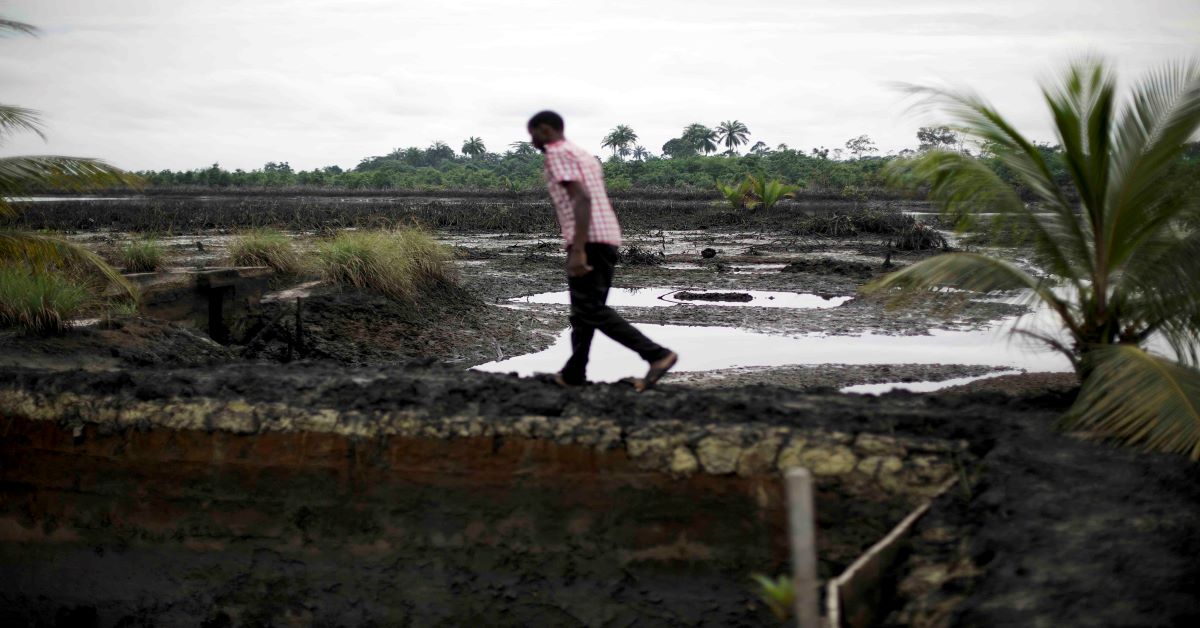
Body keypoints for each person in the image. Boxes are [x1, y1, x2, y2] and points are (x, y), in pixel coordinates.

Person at [526, 110, 677, 391]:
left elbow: (581, 199)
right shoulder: (583, 155)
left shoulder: (557, 154)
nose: (531, 139)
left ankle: (657, 354)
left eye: (532, 133)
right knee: (583, 312)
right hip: (607, 238)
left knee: (589, 309)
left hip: (590, 240)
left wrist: (579, 248)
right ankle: (574, 374)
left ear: (545, 129)